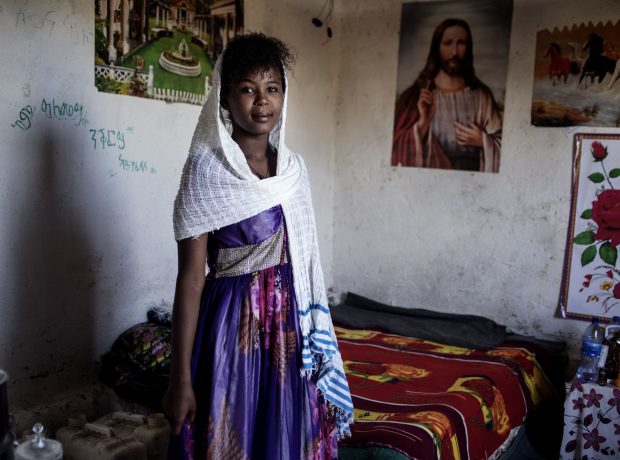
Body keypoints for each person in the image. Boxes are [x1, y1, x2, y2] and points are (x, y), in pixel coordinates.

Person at [163, 33, 353, 459]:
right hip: (232, 327)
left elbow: (303, 262)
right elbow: (191, 278)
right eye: (248, 89)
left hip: (290, 330)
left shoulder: (293, 170)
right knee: (234, 431)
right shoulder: (207, 170)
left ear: (284, 95)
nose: (262, 101)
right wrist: (179, 380)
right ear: (225, 99)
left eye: (273, 88)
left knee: (284, 432)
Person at [392, 18, 502, 172]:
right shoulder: (416, 96)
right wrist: (423, 123)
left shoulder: (482, 96)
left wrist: (482, 141)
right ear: (437, 48)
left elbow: (504, 144)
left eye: (461, 43)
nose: (455, 52)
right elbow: (396, 148)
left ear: (468, 48)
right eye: (448, 43)